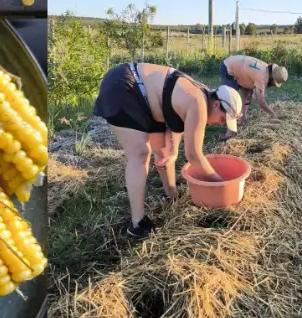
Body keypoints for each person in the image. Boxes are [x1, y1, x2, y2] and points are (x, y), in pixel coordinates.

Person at [92, 60, 243, 239]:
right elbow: (194, 156)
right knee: (140, 154)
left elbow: (174, 120)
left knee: (164, 152)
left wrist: (173, 149)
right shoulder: (198, 102)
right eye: (222, 119)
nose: (220, 123)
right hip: (125, 86)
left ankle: (172, 195)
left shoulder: (201, 95)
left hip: (147, 99)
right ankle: (137, 224)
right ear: (217, 104)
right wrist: (220, 183)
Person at [219, 54, 287, 112]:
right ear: (272, 78)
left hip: (238, 65)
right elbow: (261, 101)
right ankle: (222, 112)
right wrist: (272, 114)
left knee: (248, 93)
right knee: (231, 95)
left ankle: (242, 117)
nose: (273, 85)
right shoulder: (262, 77)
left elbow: (253, 74)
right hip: (228, 66)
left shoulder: (265, 68)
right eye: (274, 83)